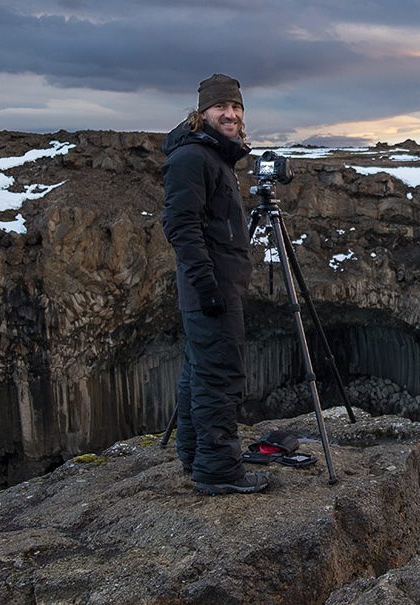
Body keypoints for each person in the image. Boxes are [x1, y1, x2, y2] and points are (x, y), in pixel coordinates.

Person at [161, 73, 268, 495]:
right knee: (219, 376)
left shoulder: (213, 155)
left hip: (213, 285)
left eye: (236, 107)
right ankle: (219, 470)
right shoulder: (193, 157)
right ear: (202, 112)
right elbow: (181, 225)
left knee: (198, 373)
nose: (230, 114)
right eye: (221, 107)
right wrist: (207, 286)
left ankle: (194, 455)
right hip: (211, 287)